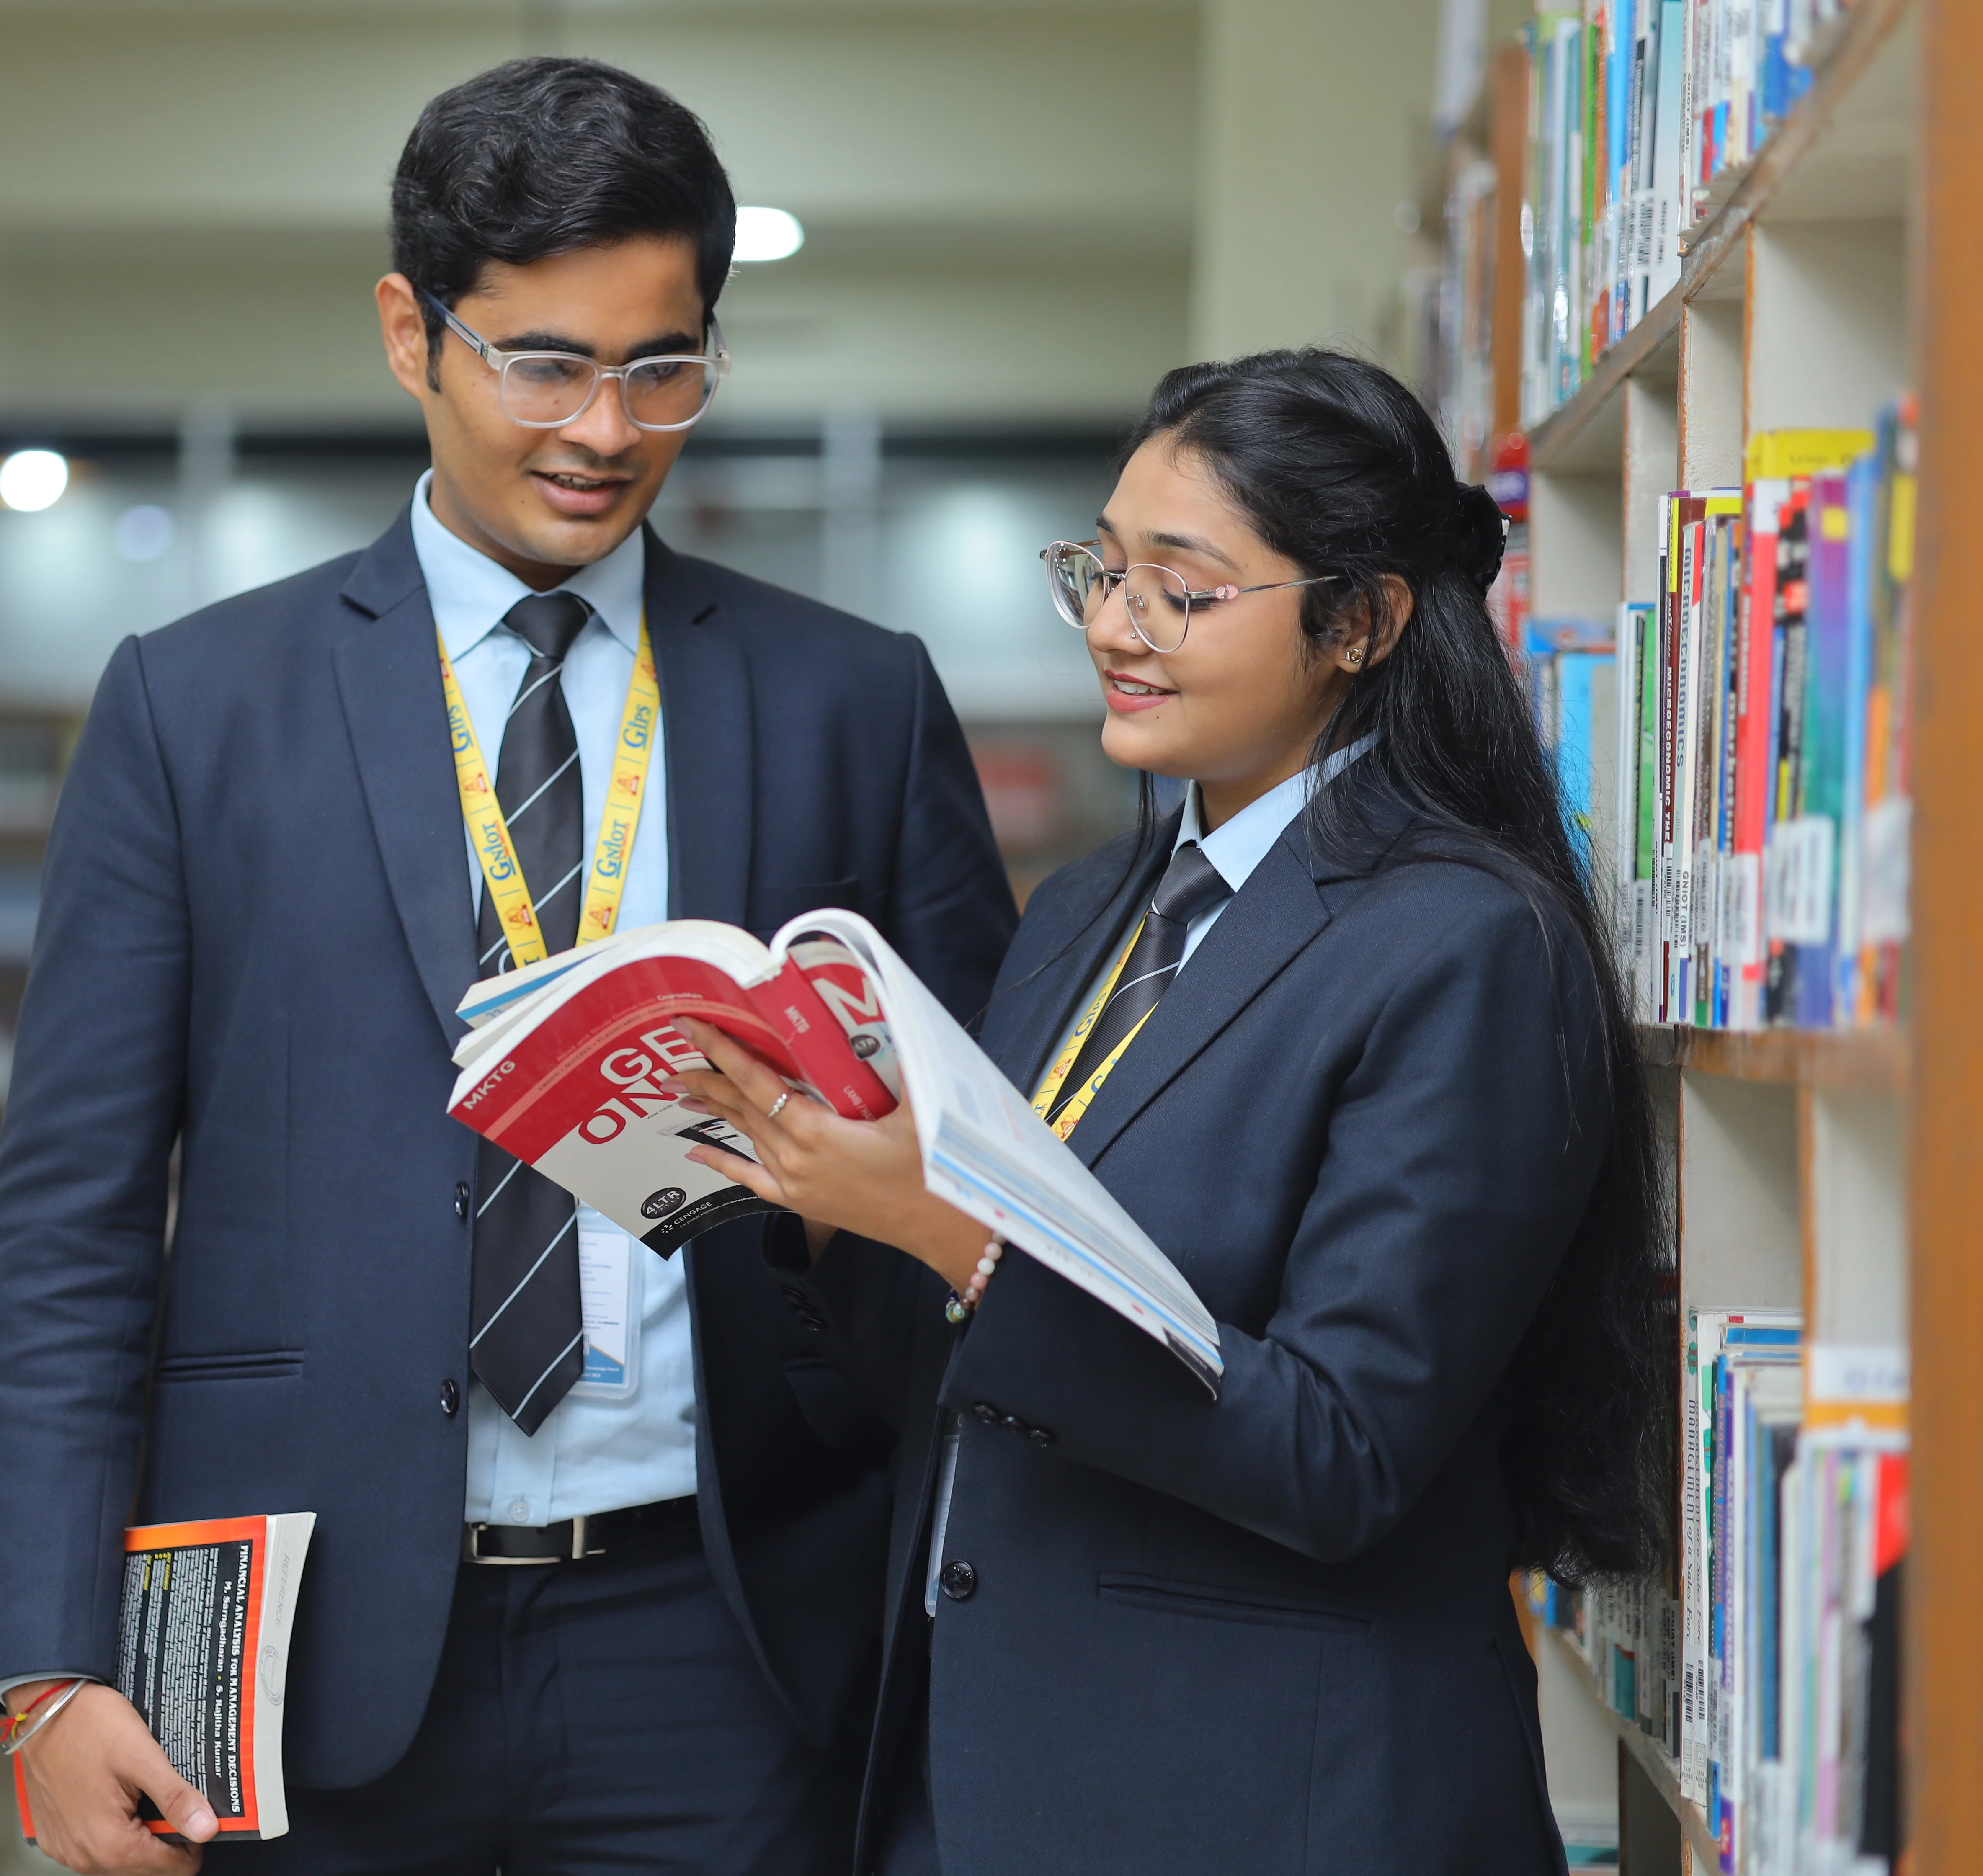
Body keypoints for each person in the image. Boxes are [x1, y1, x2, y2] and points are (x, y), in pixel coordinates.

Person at [0, 56, 1016, 1876]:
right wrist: (46, 1673)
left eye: (661, 365)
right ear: (408, 333)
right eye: (542, 361)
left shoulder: (848, 698)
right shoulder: (195, 707)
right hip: (306, 1643)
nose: (603, 429)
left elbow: (993, 1169)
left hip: (731, 1632)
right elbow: (66, 1219)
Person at [665, 349, 1674, 1875]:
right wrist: (831, 1209)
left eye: (1177, 591)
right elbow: (960, 1381)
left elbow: (1336, 1450)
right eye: (1097, 568)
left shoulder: (1463, 942)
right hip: (987, 1764)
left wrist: (945, 1233)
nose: (1107, 629)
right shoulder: (1087, 911)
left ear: (1360, 620)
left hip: (1262, 1790)